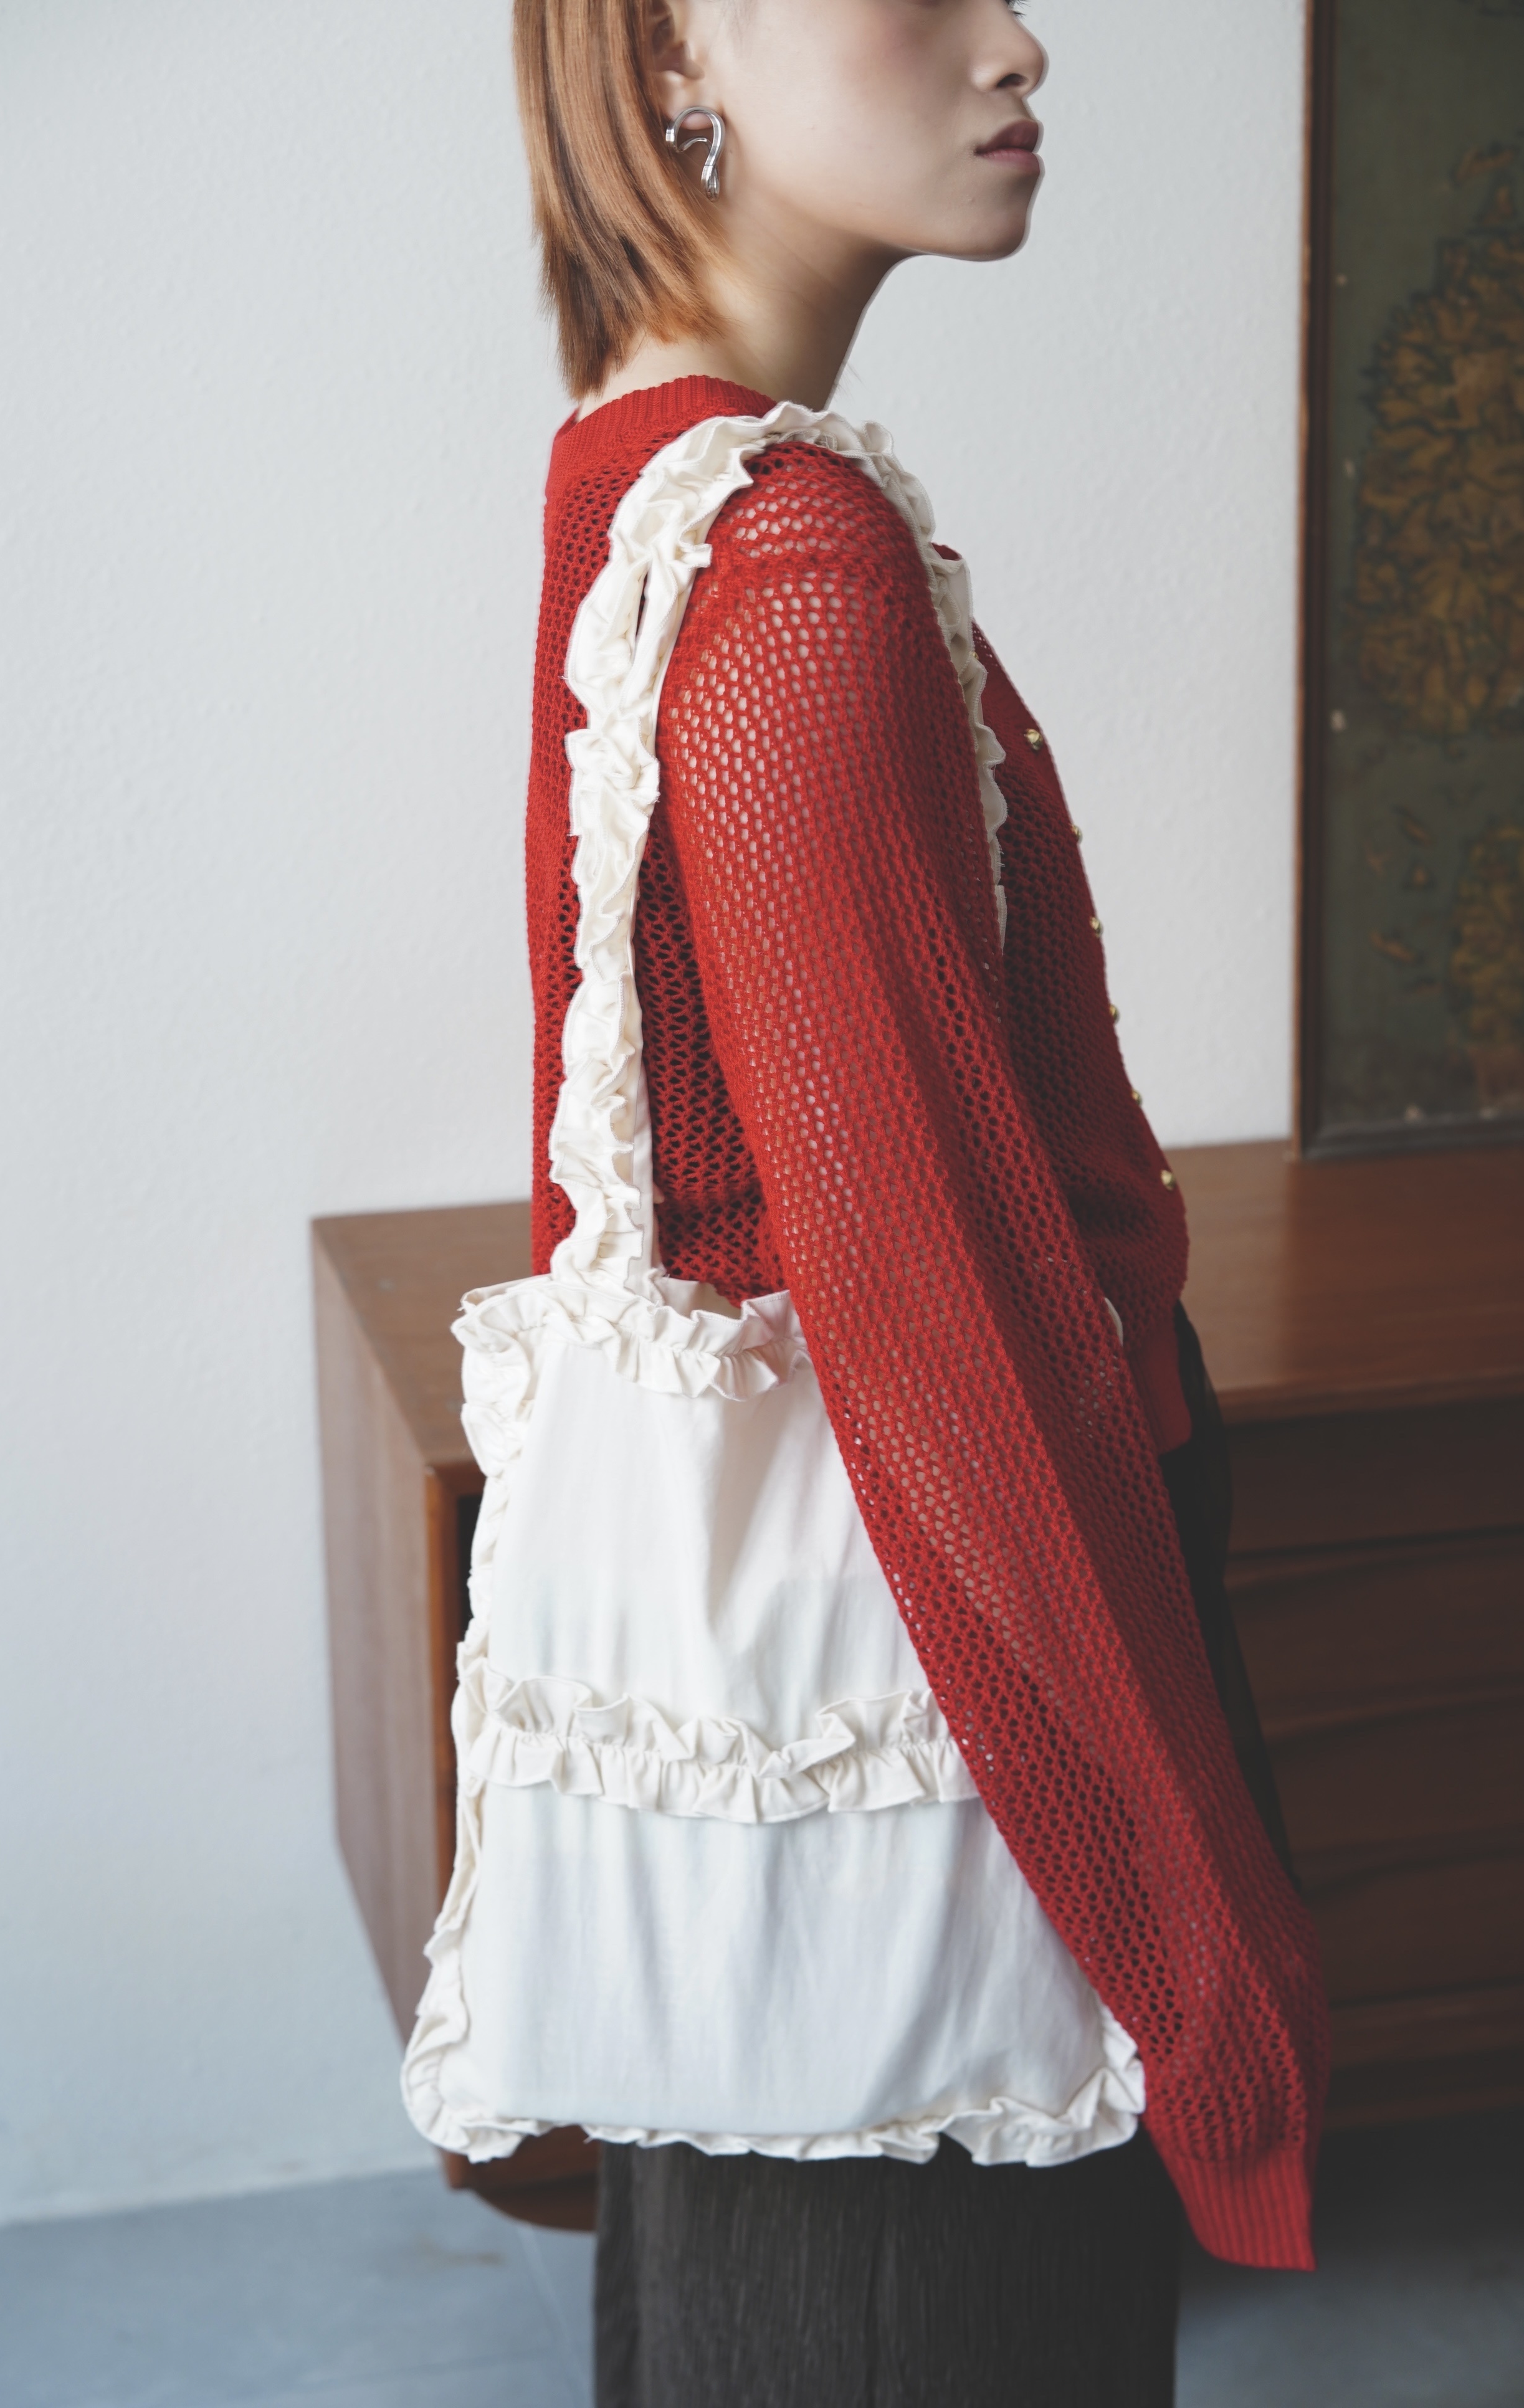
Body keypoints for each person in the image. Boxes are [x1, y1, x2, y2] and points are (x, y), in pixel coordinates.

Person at [401, 4, 1329, 2401]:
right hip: (934, 1703)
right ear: (679, 40)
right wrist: (1203, 1944)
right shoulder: (794, 561)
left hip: (782, 1725)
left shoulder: (637, 476)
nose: (1022, 42)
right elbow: (939, 1318)